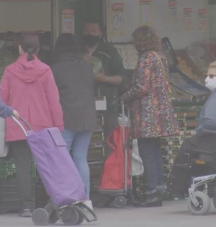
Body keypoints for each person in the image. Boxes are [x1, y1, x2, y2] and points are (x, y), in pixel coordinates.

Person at [0, 33, 63, 217]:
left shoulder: (10, 71)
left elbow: (2, 100)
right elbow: (54, 101)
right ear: (38, 49)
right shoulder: (45, 70)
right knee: (46, 166)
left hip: (17, 125)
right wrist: (58, 127)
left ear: (19, 48)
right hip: (43, 126)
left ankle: (26, 207)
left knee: (22, 166)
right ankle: (52, 203)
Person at [120, 25, 180, 207]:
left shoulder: (146, 58)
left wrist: (124, 96)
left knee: (147, 153)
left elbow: (142, 88)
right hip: (160, 112)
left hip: (147, 114)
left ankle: (152, 192)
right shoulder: (160, 56)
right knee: (155, 152)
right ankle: (160, 188)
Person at [169, 61, 216, 198]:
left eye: (211, 76)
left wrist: (199, 129)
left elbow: (212, 122)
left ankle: (177, 188)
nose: (207, 79)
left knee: (188, 146)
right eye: (207, 75)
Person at [51, 33, 97, 206]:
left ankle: (65, 198)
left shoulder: (55, 68)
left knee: (62, 159)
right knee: (80, 158)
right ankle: (85, 200)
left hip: (67, 118)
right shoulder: (86, 66)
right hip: (87, 117)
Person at [83, 21, 126, 154]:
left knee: (109, 143)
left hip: (107, 104)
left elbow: (121, 78)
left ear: (101, 33)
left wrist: (104, 79)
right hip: (82, 105)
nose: (90, 33)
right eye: (87, 30)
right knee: (84, 145)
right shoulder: (76, 50)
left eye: (94, 31)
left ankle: (109, 173)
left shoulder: (109, 50)